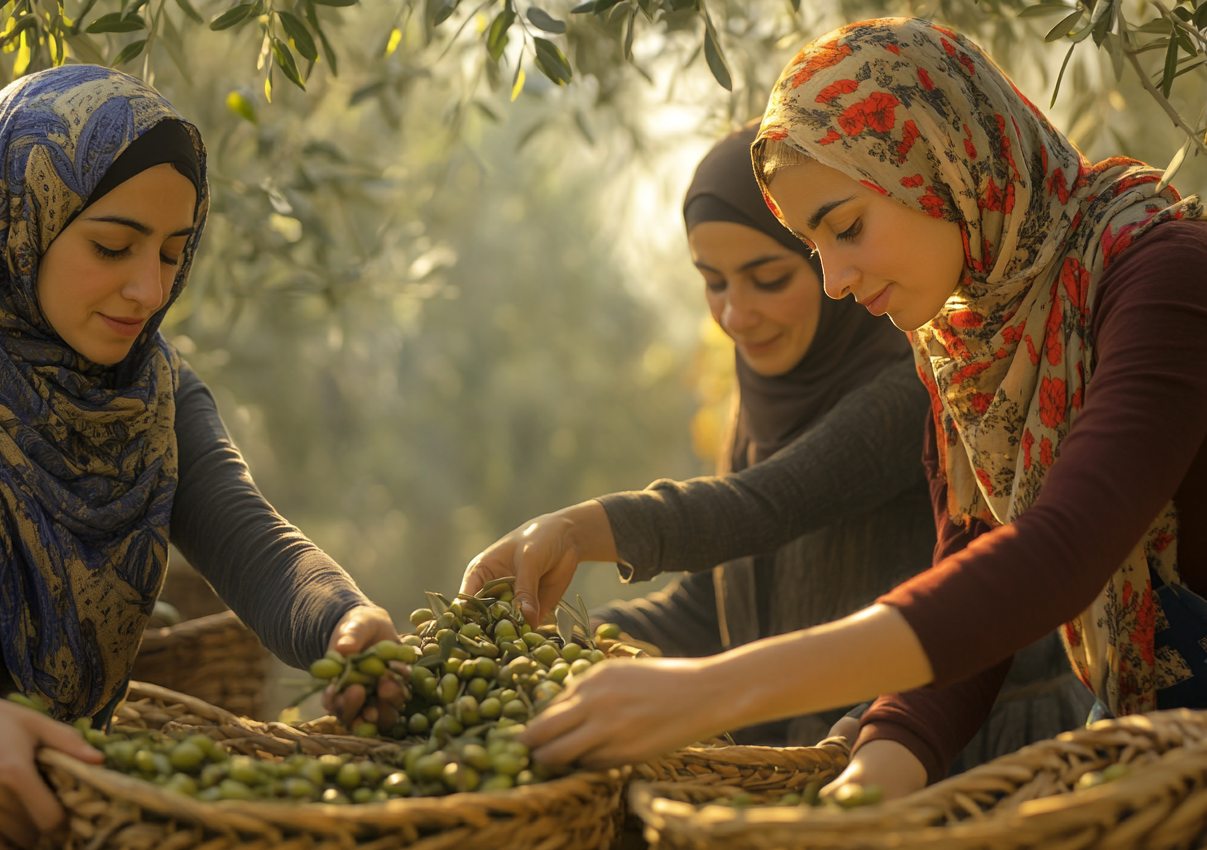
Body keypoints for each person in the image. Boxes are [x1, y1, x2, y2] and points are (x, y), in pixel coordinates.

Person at [479, 17, 1206, 796]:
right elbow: (969, 574)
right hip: (1152, 752)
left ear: (942, 161)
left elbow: (1057, 554)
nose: (834, 282)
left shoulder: (1163, 278)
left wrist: (710, 691)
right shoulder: (965, 352)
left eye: (848, 228)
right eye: (814, 246)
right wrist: (872, 774)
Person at [0, 66, 397, 850]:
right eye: (112, 246)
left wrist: (347, 624)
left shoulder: (154, 399)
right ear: (18, 221)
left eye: (175, 254)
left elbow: (251, 539)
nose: (149, 290)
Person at [463, 118, 1090, 755]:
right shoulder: (761, 399)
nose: (737, 314)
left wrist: (576, 530)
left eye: (769, 279)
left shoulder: (918, 388)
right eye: (714, 282)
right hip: (816, 774)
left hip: (959, 758)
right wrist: (548, 651)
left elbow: (768, 504)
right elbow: (716, 608)